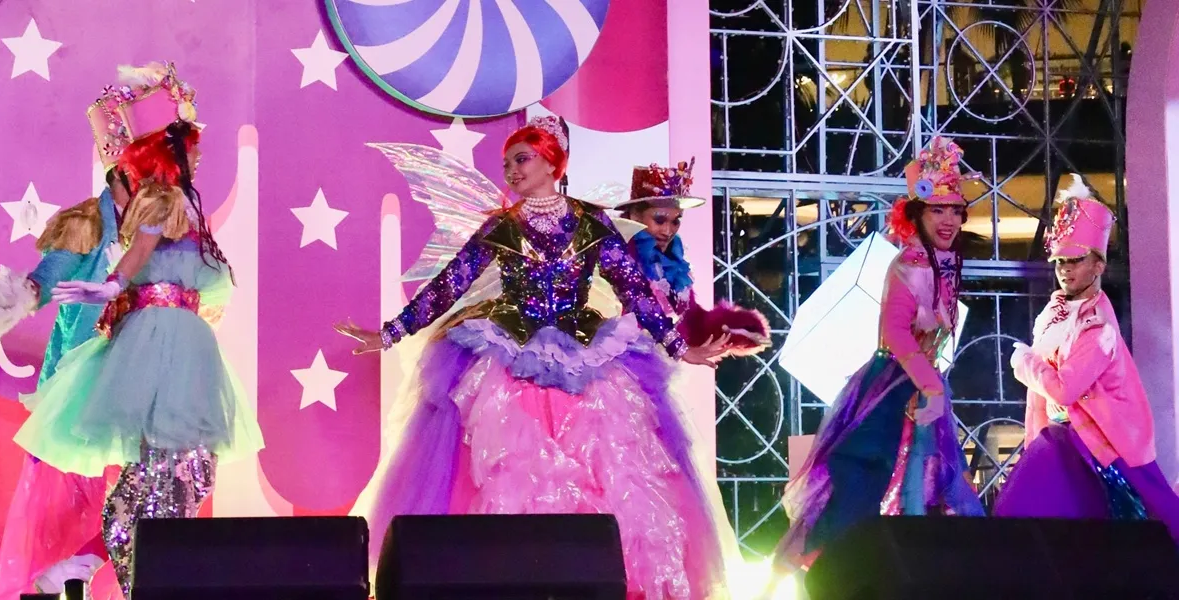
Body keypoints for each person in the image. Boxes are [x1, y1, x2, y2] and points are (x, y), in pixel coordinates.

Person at [336, 116, 739, 599]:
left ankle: (588, 576)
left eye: (521, 159)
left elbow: (634, 291)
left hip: (584, 358)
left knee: (609, 467)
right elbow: (451, 283)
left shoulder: (591, 223)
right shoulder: (502, 225)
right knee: (506, 468)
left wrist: (680, 348)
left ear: (551, 162)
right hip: (510, 356)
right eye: (507, 163)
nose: (511, 170)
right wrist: (391, 333)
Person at [11, 62, 264, 597]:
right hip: (162, 343)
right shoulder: (159, 200)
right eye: (191, 150)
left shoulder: (179, 205)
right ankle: (127, 576)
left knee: (176, 473)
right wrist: (106, 287)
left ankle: (89, 565)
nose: (199, 157)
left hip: (179, 341)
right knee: (169, 473)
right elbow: (138, 250)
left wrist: (175, 100)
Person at [773, 137, 985, 571]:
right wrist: (929, 385)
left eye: (954, 210)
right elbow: (894, 332)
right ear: (917, 213)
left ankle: (922, 569)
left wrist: (932, 386)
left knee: (932, 478)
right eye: (937, 210)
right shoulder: (910, 266)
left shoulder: (943, 263)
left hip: (923, 383)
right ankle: (847, 571)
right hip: (894, 385)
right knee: (869, 476)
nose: (948, 220)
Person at [994, 174, 1179, 540]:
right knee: (1032, 515)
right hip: (1063, 436)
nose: (1065, 269)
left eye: (1075, 261)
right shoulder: (1054, 313)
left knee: (1146, 525)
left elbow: (1064, 391)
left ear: (1098, 266)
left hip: (1099, 441)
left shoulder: (1098, 329)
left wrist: (1024, 363)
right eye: (1060, 261)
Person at [0, 160, 133, 599]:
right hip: (83, 376)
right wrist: (14, 296)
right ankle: (61, 574)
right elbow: (47, 279)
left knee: (137, 485)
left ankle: (97, 572)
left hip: (134, 371)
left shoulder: (153, 227)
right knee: (67, 489)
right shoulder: (86, 223)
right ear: (119, 176)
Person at [616, 159, 768, 356]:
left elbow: (693, 326)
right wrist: (679, 348)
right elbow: (639, 308)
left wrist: (737, 329)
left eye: (675, 221)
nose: (668, 231)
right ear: (635, 216)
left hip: (654, 362)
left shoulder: (673, 262)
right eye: (659, 220)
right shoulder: (617, 253)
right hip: (613, 359)